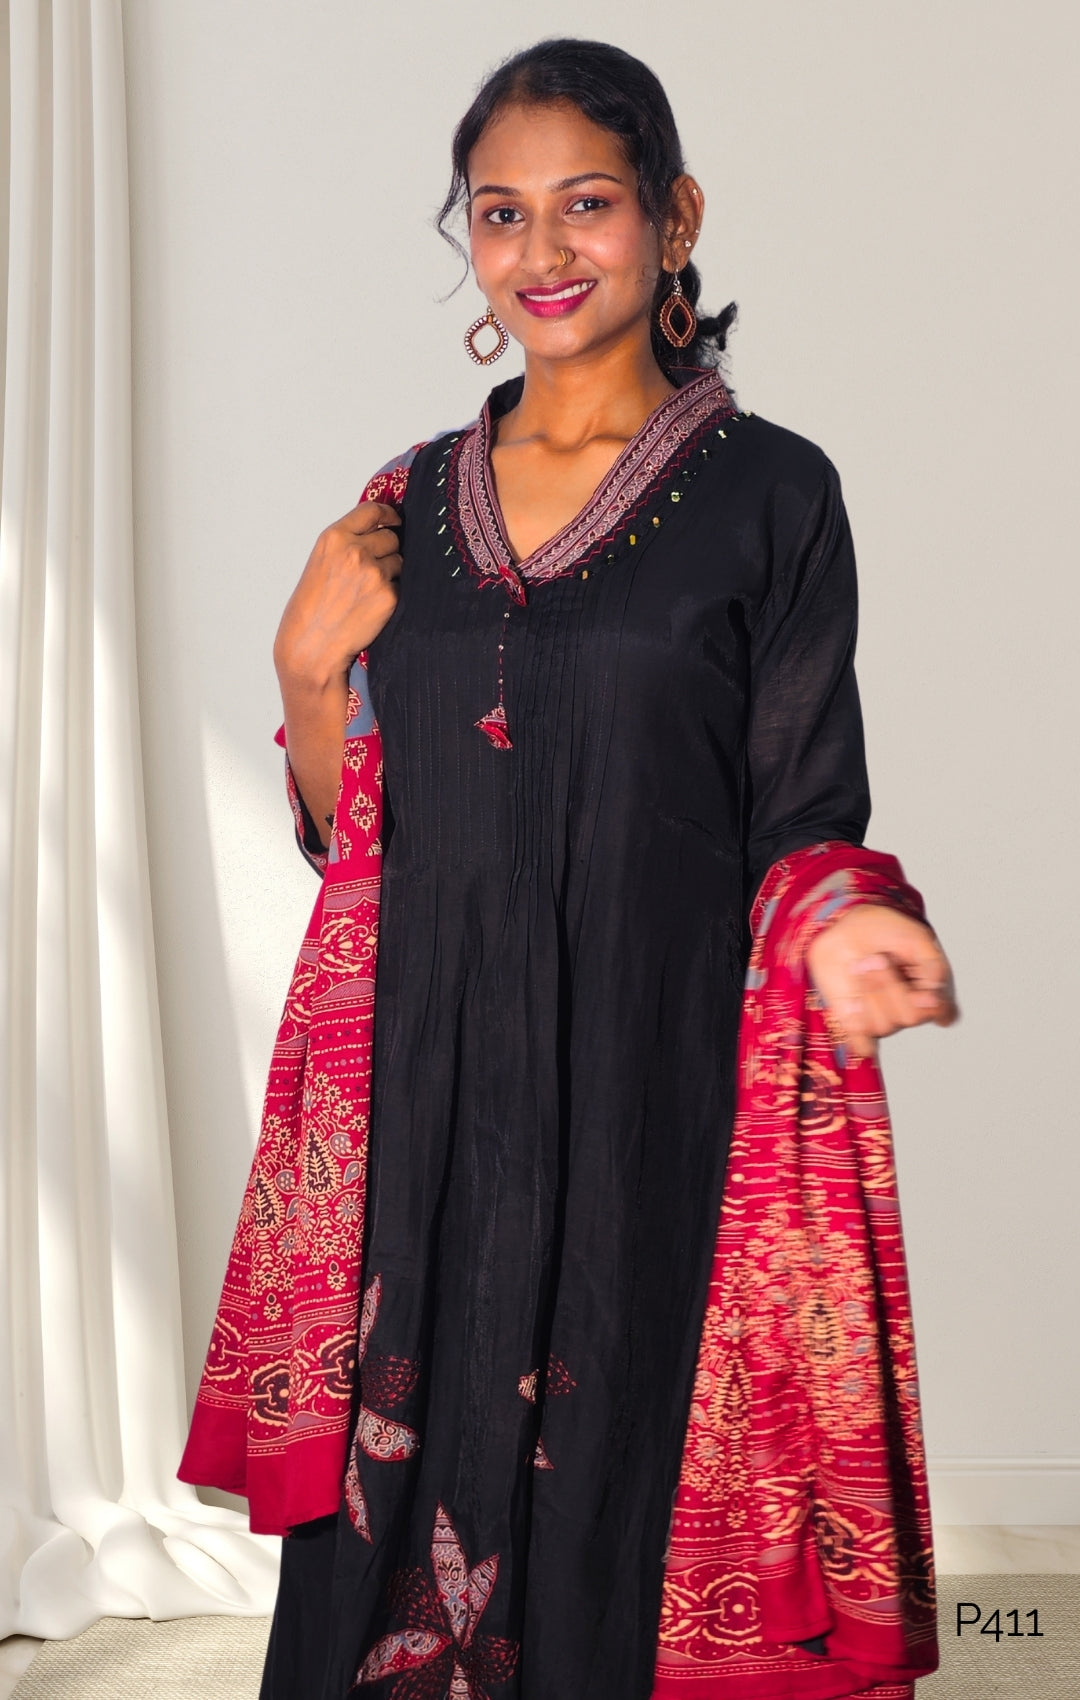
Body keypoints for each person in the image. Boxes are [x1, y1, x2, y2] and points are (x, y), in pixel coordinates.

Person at [181, 38, 957, 1700]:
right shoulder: (402, 505)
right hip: (425, 1111)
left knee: (621, 1496)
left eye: (586, 204)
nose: (542, 250)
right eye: (500, 212)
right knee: (395, 1534)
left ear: (677, 216)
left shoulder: (774, 495)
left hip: (649, 1103)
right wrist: (305, 670)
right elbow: (353, 834)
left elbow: (805, 809)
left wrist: (846, 923)